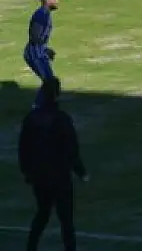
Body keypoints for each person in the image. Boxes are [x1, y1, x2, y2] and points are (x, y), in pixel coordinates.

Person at [19, 77, 87, 251]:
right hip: (59, 177)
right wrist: (81, 172)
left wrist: (27, 172)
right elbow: (71, 148)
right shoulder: (61, 119)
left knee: (42, 213)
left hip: (39, 177)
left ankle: (30, 247)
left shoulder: (31, 119)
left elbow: (23, 148)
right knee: (66, 220)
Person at [23, 0, 60, 109]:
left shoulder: (45, 13)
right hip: (35, 53)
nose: (57, 1)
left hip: (39, 52)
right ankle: (38, 106)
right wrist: (46, 50)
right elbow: (35, 36)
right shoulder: (41, 15)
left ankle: (48, 105)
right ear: (47, 0)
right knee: (50, 82)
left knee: (51, 82)